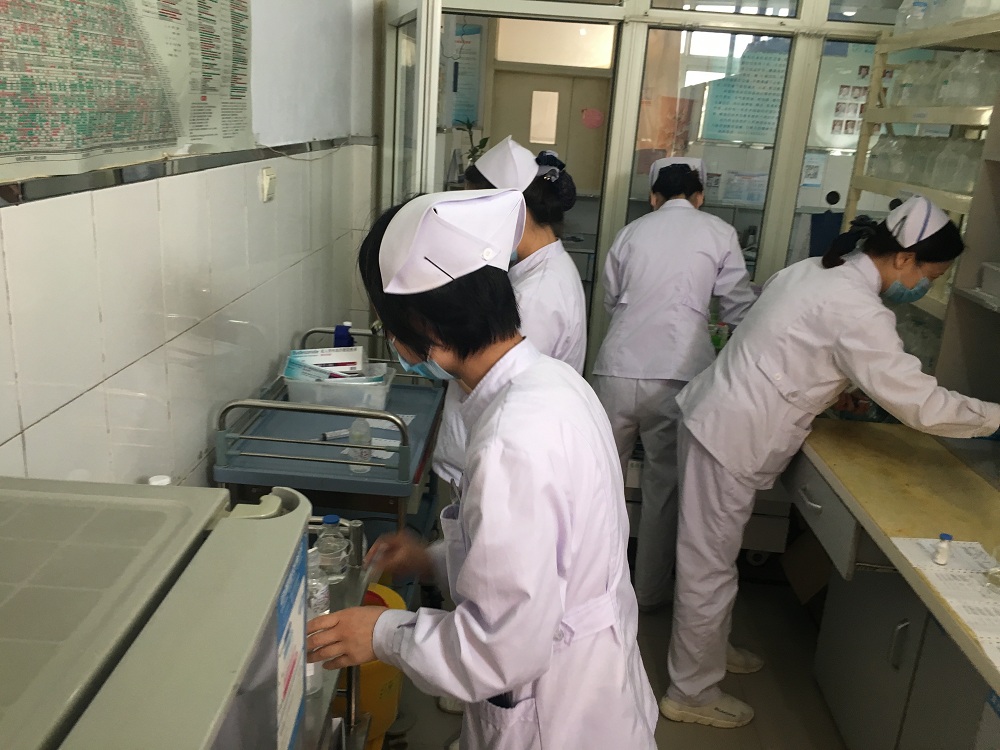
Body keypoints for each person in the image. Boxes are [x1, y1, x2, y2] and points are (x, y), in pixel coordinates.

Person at [305, 189, 658, 750]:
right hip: (595, 681)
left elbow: (500, 650)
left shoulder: (510, 441)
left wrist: (383, 633)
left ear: (424, 325)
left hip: (554, 716)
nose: (390, 338)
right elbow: (537, 564)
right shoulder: (553, 382)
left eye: (389, 323)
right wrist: (431, 561)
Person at [662, 195, 1000, 728]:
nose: (926, 287)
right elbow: (919, 403)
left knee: (713, 562)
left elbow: (795, 347)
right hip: (730, 434)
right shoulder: (858, 309)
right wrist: (994, 418)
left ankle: (708, 650)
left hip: (723, 419)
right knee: (708, 568)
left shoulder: (817, 271)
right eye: (931, 275)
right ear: (905, 258)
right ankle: (690, 692)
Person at [591, 157, 756, 613]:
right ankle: (646, 595)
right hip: (678, 375)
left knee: (602, 483)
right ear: (699, 197)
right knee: (663, 489)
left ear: (654, 197)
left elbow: (611, 299)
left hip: (618, 368)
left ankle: (594, 589)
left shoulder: (631, 232)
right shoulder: (719, 232)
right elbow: (738, 308)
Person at [433, 136, 587, 503]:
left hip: (492, 471)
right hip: (482, 460)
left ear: (514, 210)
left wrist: (437, 355)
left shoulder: (536, 294)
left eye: (479, 212)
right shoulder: (537, 271)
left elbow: (497, 384)